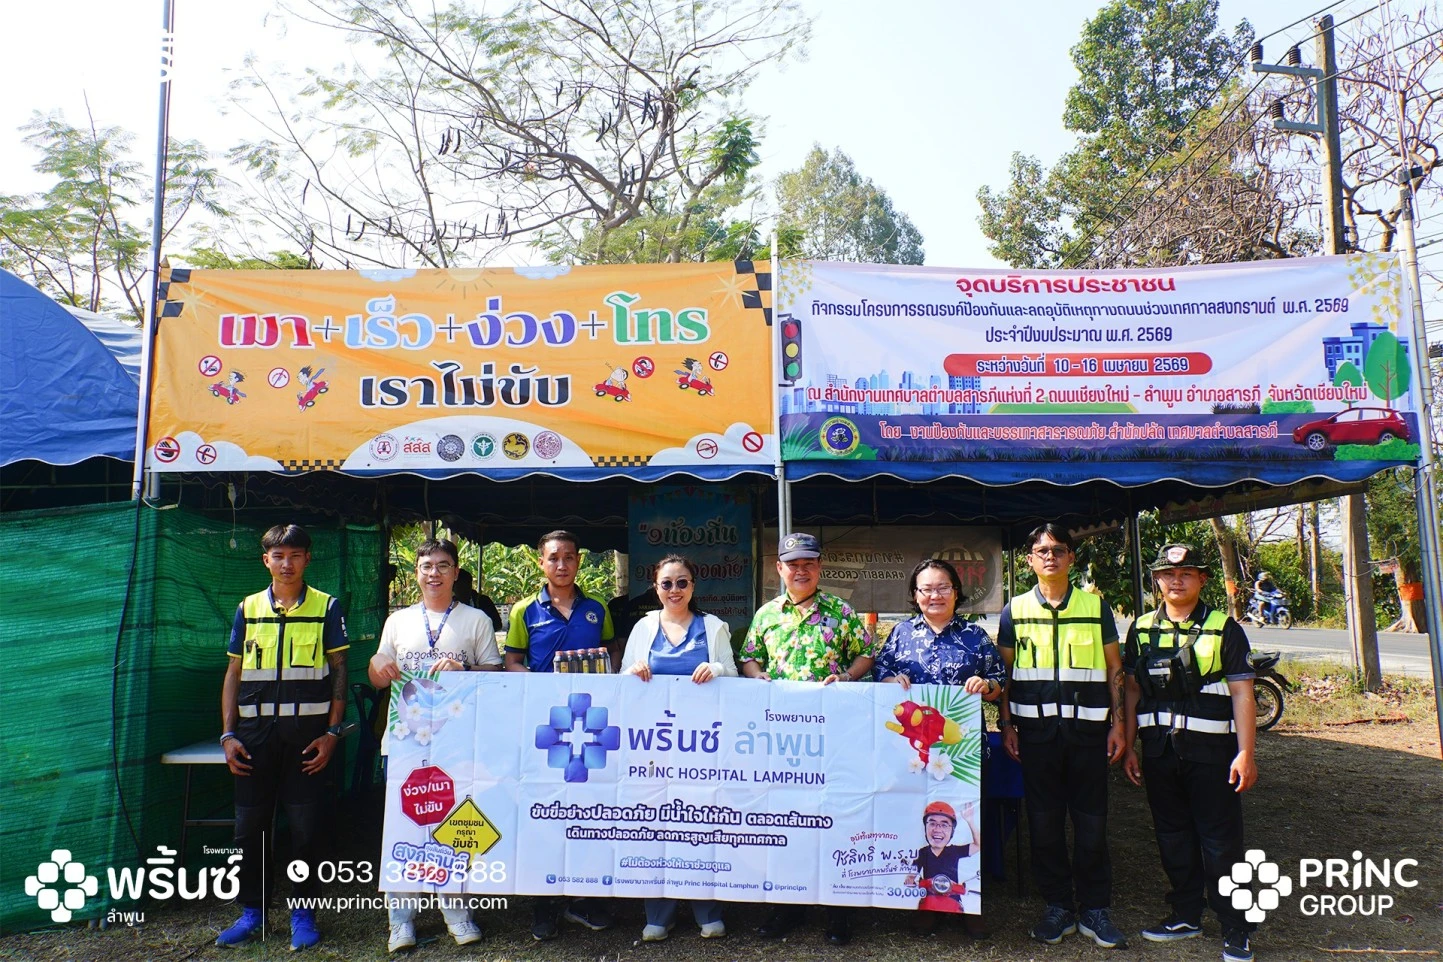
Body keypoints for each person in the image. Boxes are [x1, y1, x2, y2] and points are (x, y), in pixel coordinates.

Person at [740, 532, 877, 946]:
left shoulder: (841, 611)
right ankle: (788, 905)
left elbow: (867, 653)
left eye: (809, 563)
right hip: (784, 741)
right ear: (779, 568)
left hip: (832, 736)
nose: (801, 571)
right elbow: (749, 657)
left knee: (834, 815)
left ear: (819, 567)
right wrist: (757, 676)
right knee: (788, 817)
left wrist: (848, 676)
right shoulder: (766, 614)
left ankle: (838, 909)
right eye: (793, 564)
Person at [996, 523, 1129, 950]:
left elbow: (1115, 669)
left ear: (1071, 556)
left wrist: (1119, 725)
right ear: (1029, 560)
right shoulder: (1014, 610)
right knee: (1044, 825)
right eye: (1042, 551)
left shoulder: (1095, 607)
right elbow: (1005, 674)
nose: (1050, 557)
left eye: (1058, 550)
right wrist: (1007, 725)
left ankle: (1095, 908)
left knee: (1092, 824)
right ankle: (1057, 906)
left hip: (1088, 734)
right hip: (1036, 736)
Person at [1123, 544, 1258, 962]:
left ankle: (1236, 927)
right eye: (1168, 574)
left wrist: (1246, 753)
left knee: (1220, 842)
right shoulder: (1141, 629)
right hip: (1160, 751)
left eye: (1186, 574)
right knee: (1172, 836)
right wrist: (1129, 745)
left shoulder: (1224, 628)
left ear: (1202, 579)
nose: (1176, 581)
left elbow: (1243, 692)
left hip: (1212, 753)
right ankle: (1185, 914)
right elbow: (1131, 691)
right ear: (1157, 580)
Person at [217, 524, 348, 951]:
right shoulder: (248, 608)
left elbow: (340, 671)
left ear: (308, 559)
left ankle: (303, 913)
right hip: (253, 740)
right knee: (249, 829)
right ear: (266, 560)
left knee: (306, 831)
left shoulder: (327, 607)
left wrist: (332, 733)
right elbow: (234, 672)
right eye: (278, 556)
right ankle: (252, 912)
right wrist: (228, 734)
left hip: (306, 741)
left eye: (295, 555)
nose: (286, 564)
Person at [370, 538, 502, 953]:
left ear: (456, 572)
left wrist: (465, 667)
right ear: (417, 572)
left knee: (456, 827)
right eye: (427, 566)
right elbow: (377, 674)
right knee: (404, 828)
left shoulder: (476, 620)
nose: (434, 573)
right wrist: (377, 665)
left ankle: (458, 914)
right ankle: (400, 922)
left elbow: (496, 675)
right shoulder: (398, 621)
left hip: (457, 740)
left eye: (443, 566)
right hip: (404, 740)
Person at [874, 558, 1005, 937]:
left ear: (956, 592)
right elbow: (879, 674)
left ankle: (970, 903)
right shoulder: (900, 634)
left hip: (962, 755)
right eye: (926, 589)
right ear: (915, 595)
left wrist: (985, 685)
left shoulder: (975, 636)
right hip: (914, 756)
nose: (935, 595)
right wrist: (889, 681)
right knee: (922, 824)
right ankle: (927, 902)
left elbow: (999, 682)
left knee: (966, 820)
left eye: (943, 587)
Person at [504, 530, 616, 941]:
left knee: (589, 809)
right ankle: (544, 903)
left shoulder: (597, 608)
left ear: (579, 561)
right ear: (541, 563)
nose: (562, 565)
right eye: (554, 558)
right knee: (545, 811)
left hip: (591, 727)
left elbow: (611, 653)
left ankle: (584, 898)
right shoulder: (524, 610)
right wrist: (541, 684)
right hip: (546, 728)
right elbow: (512, 662)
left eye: (569, 557)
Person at [620, 554, 737, 941]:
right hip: (653, 746)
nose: (674, 590)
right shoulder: (643, 627)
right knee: (657, 826)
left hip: (703, 747)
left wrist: (717, 670)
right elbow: (622, 679)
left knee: (702, 825)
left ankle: (708, 911)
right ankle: (659, 912)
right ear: (656, 588)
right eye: (667, 583)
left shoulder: (713, 627)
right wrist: (634, 671)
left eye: (682, 582)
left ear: (693, 586)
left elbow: (734, 675)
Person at [904, 801, 983, 914]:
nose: (937, 829)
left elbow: (978, 845)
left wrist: (970, 820)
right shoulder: (922, 853)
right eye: (932, 823)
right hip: (928, 899)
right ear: (925, 827)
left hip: (953, 899)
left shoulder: (954, 851)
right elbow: (912, 875)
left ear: (952, 831)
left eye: (944, 825)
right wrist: (910, 879)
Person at [454, 567, 505, 634]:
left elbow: (497, 625)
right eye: (460, 587)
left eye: (466, 585)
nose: (463, 590)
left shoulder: (483, 601)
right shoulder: (448, 603)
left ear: (470, 585)